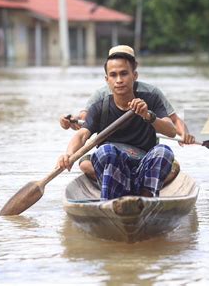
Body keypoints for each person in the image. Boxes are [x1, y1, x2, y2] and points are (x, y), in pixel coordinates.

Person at [57, 45, 177, 199]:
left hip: (143, 168)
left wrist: (148, 115)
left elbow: (172, 131)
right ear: (107, 80)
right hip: (113, 168)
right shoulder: (100, 106)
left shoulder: (151, 99)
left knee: (164, 151)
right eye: (113, 75)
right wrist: (67, 155)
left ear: (134, 76)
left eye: (124, 74)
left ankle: (146, 198)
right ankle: (110, 202)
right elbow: (82, 135)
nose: (119, 80)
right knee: (106, 151)